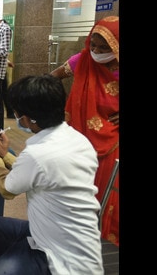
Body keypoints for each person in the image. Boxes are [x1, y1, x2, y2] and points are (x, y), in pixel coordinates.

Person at [0, 74, 103, 275]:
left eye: (16, 114)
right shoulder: (77, 140)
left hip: (59, 254)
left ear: (25, 119)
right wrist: (4, 155)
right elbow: (39, 172)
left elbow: (7, 189)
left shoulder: (37, 154)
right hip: (56, 232)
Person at [50, 15, 119, 246]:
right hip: (76, 137)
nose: (97, 51)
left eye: (105, 47)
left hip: (112, 145)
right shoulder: (83, 60)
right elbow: (52, 78)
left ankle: (101, 242)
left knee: (104, 193)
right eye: (94, 45)